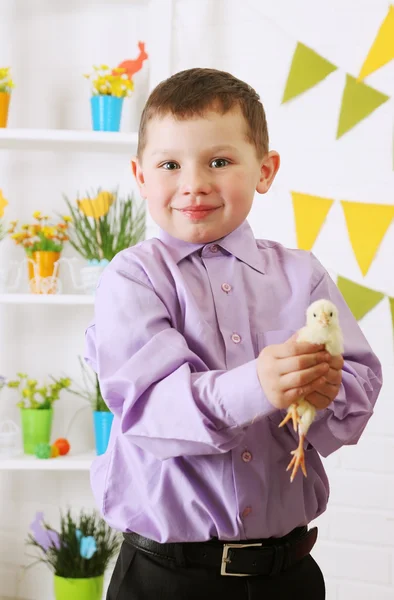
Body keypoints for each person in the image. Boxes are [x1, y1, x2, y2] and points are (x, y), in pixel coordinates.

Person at [84, 68, 382, 600]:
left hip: (287, 576)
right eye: (170, 164)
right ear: (141, 176)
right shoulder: (132, 278)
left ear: (264, 170)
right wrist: (258, 386)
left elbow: (358, 385)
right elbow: (151, 410)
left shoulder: (302, 276)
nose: (194, 182)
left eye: (219, 162)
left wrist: (329, 390)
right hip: (164, 579)